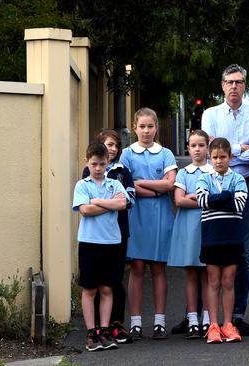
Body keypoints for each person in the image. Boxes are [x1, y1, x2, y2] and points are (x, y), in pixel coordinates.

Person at [201, 64, 249, 335]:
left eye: (239, 82)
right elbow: (210, 150)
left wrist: (229, 149)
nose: (234, 87)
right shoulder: (210, 114)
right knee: (212, 254)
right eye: (230, 82)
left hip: (247, 189)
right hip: (215, 187)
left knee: (245, 254)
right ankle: (208, 319)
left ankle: (237, 316)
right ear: (222, 85)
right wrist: (242, 147)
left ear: (245, 85)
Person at [119, 107, 177, 340]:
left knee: (158, 268)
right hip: (135, 216)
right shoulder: (126, 155)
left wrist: (141, 183)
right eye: (142, 126)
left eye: (150, 126)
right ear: (135, 128)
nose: (146, 131)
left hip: (161, 217)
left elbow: (170, 185)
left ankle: (159, 322)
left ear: (156, 128)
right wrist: (155, 187)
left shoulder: (166, 154)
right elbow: (126, 186)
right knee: (137, 268)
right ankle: (135, 322)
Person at [72, 142, 129, 351]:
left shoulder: (114, 184)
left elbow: (122, 204)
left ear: (108, 163)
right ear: (87, 162)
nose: (98, 168)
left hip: (112, 242)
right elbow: (84, 210)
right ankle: (91, 333)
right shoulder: (82, 185)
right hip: (89, 243)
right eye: (94, 164)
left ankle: (105, 331)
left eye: (102, 164)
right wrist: (108, 204)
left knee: (107, 288)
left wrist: (97, 201)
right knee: (90, 288)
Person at [82, 129, 135, 344]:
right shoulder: (89, 173)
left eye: (115, 145)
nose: (111, 149)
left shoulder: (123, 172)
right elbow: (84, 205)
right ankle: (94, 327)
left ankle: (115, 324)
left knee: (113, 280)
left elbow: (127, 201)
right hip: (94, 236)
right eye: (107, 145)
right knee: (94, 282)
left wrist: (99, 202)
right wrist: (111, 205)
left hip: (118, 232)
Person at [195, 137, 248, 343]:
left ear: (230, 157)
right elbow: (202, 200)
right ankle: (213, 325)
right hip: (212, 236)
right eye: (215, 157)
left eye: (223, 157)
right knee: (213, 280)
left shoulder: (239, 179)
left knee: (228, 280)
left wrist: (217, 199)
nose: (218, 161)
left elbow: (240, 203)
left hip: (232, 236)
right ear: (210, 157)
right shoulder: (204, 178)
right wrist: (227, 196)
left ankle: (228, 323)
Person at [167, 130, 212, 339]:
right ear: (188, 148)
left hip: (208, 227)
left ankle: (207, 319)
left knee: (207, 275)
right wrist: (202, 199)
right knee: (192, 274)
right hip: (188, 228)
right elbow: (179, 200)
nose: (197, 149)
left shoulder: (214, 171)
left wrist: (193, 197)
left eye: (201, 145)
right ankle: (192, 319)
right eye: (193, 146)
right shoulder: (184, 173)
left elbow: (217, 199)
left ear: (207, 147)